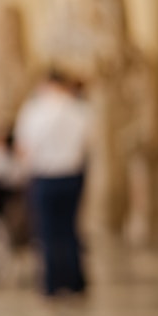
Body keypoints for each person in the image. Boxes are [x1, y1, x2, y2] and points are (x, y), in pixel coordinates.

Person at [14, 69, 92, 297]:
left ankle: (51, 284)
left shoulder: (34, 110)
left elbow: (23, 147)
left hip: (44, 176)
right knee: (70, 227)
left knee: (47, 231)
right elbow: (89, 143)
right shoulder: (79, 109)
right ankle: (75, 282)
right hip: (72, 174)